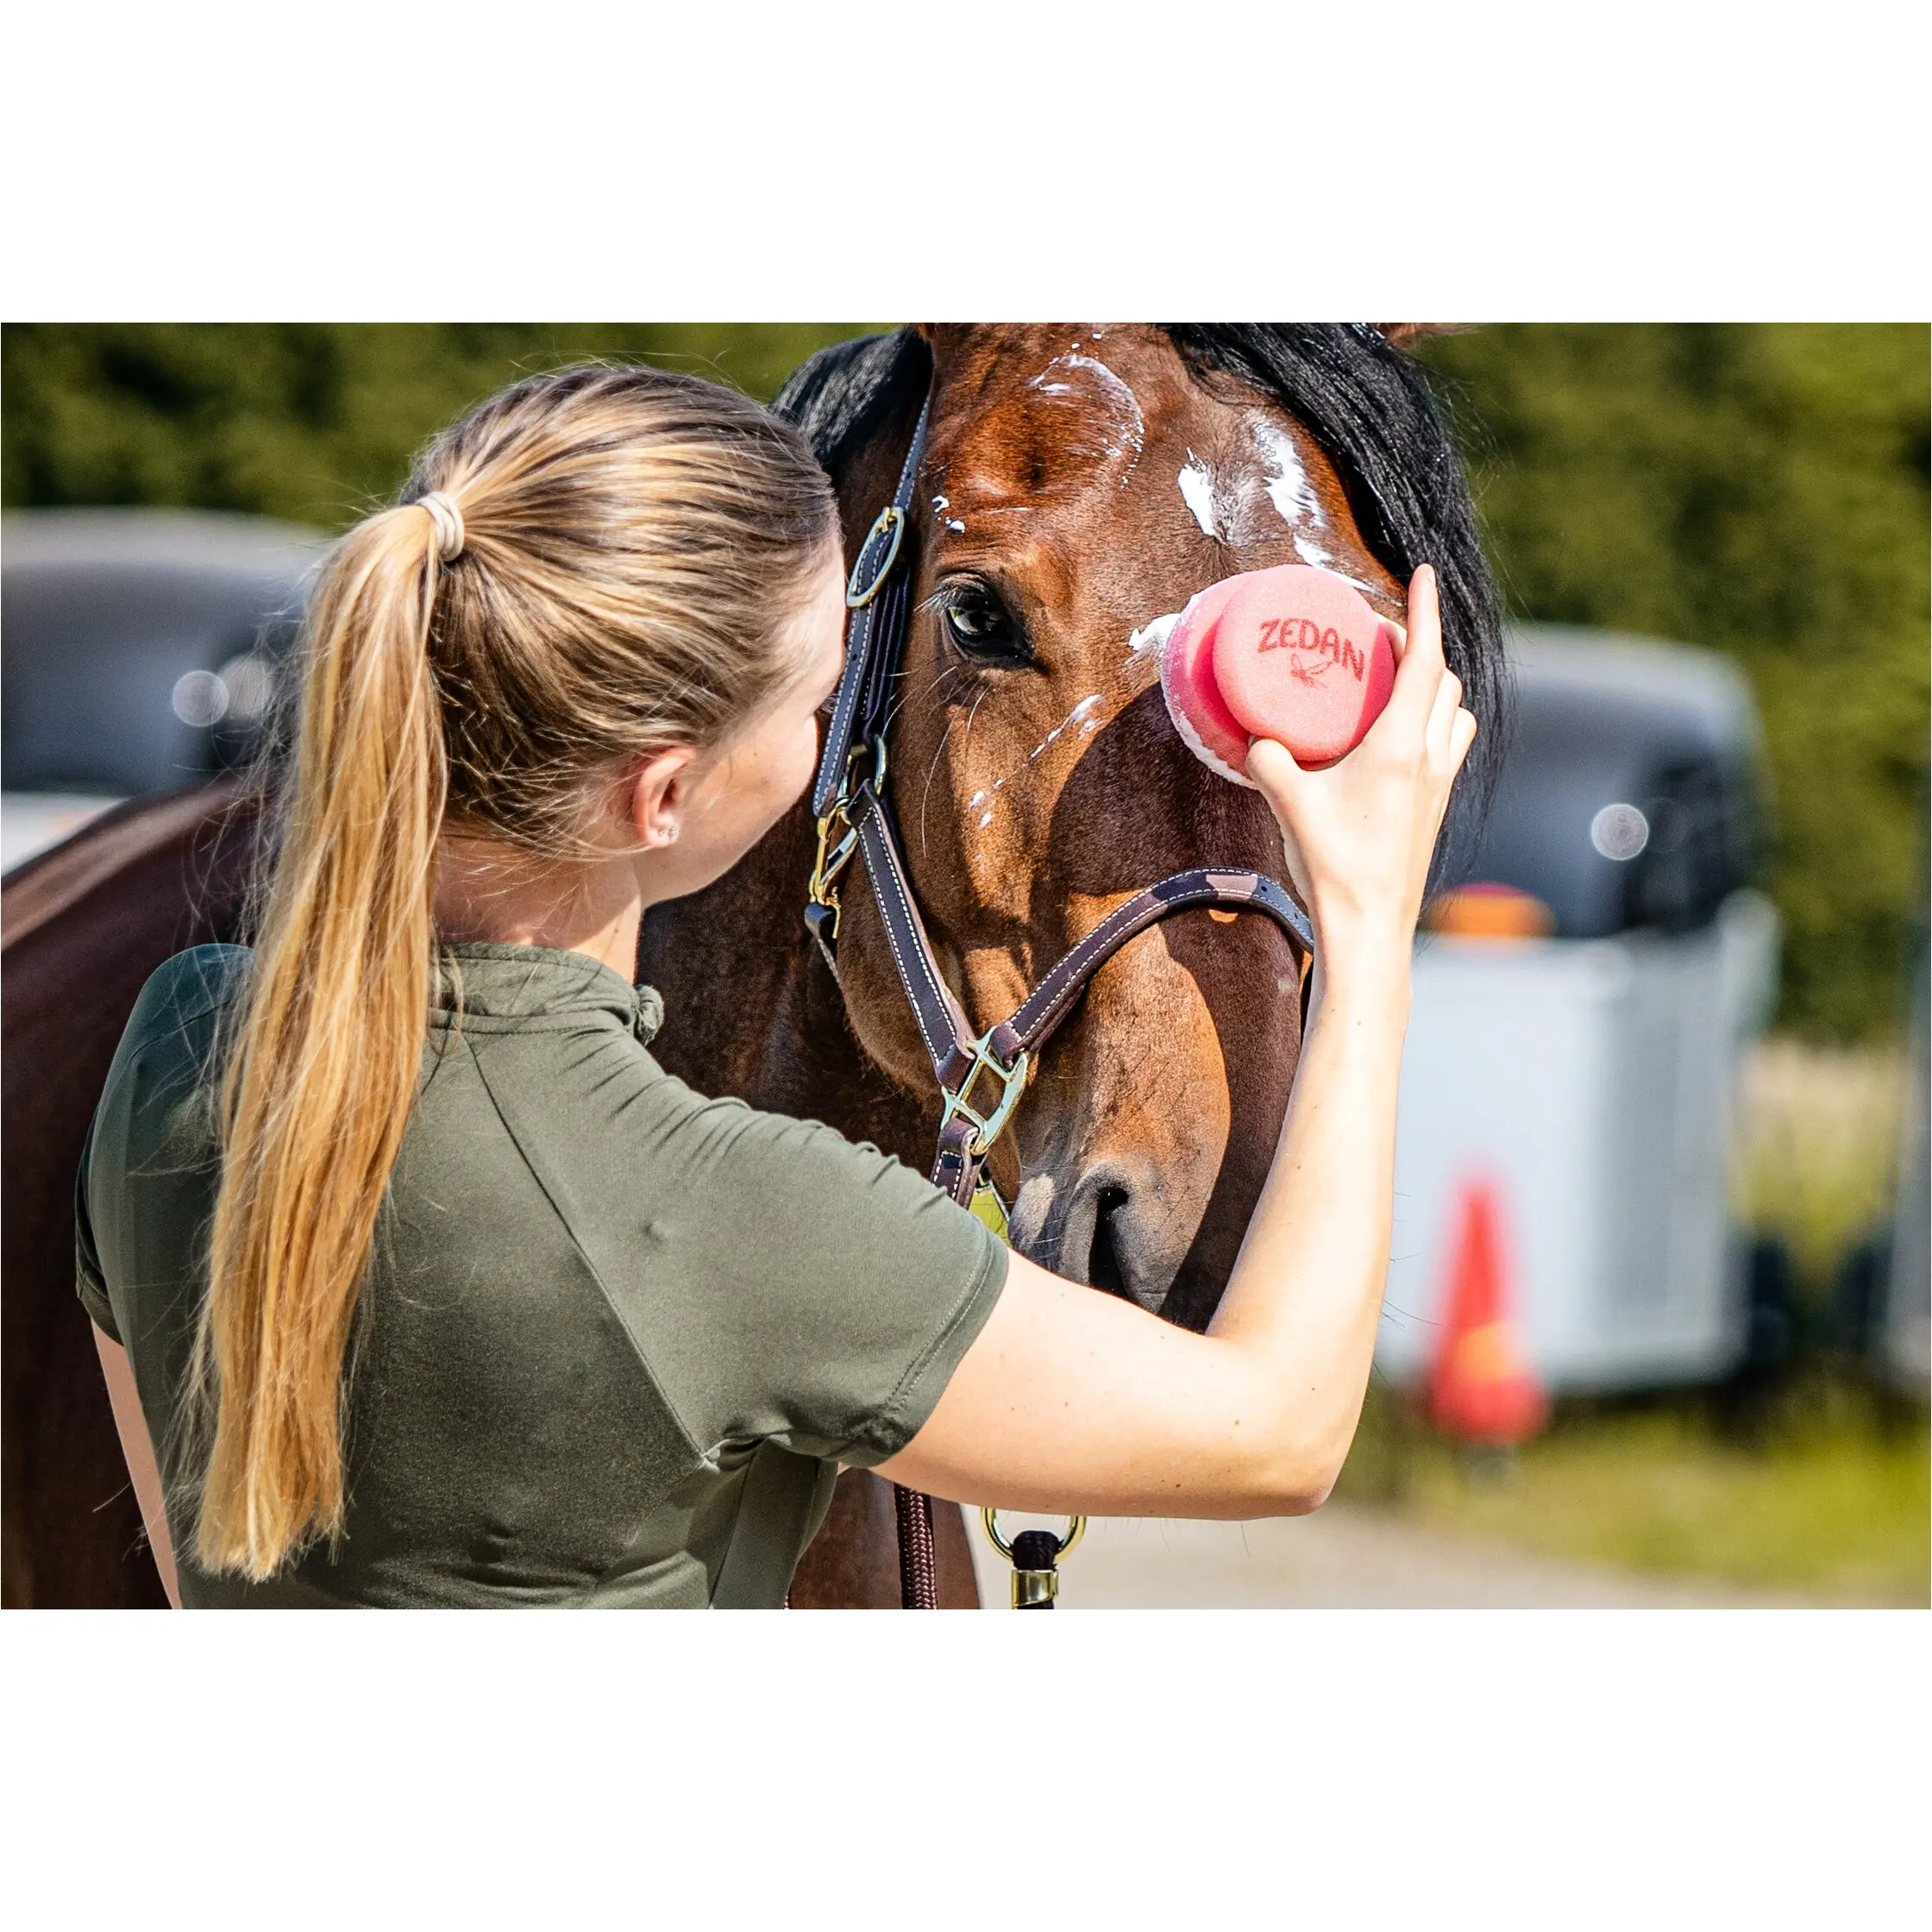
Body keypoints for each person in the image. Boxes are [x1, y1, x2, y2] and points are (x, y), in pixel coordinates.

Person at [78, 362, 1476, 1609]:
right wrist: (1370, 922)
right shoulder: (744, 1228)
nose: (832, 745)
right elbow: (1277, 1432)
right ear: (665, 794)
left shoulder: (178, 1042)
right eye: (819, 709)